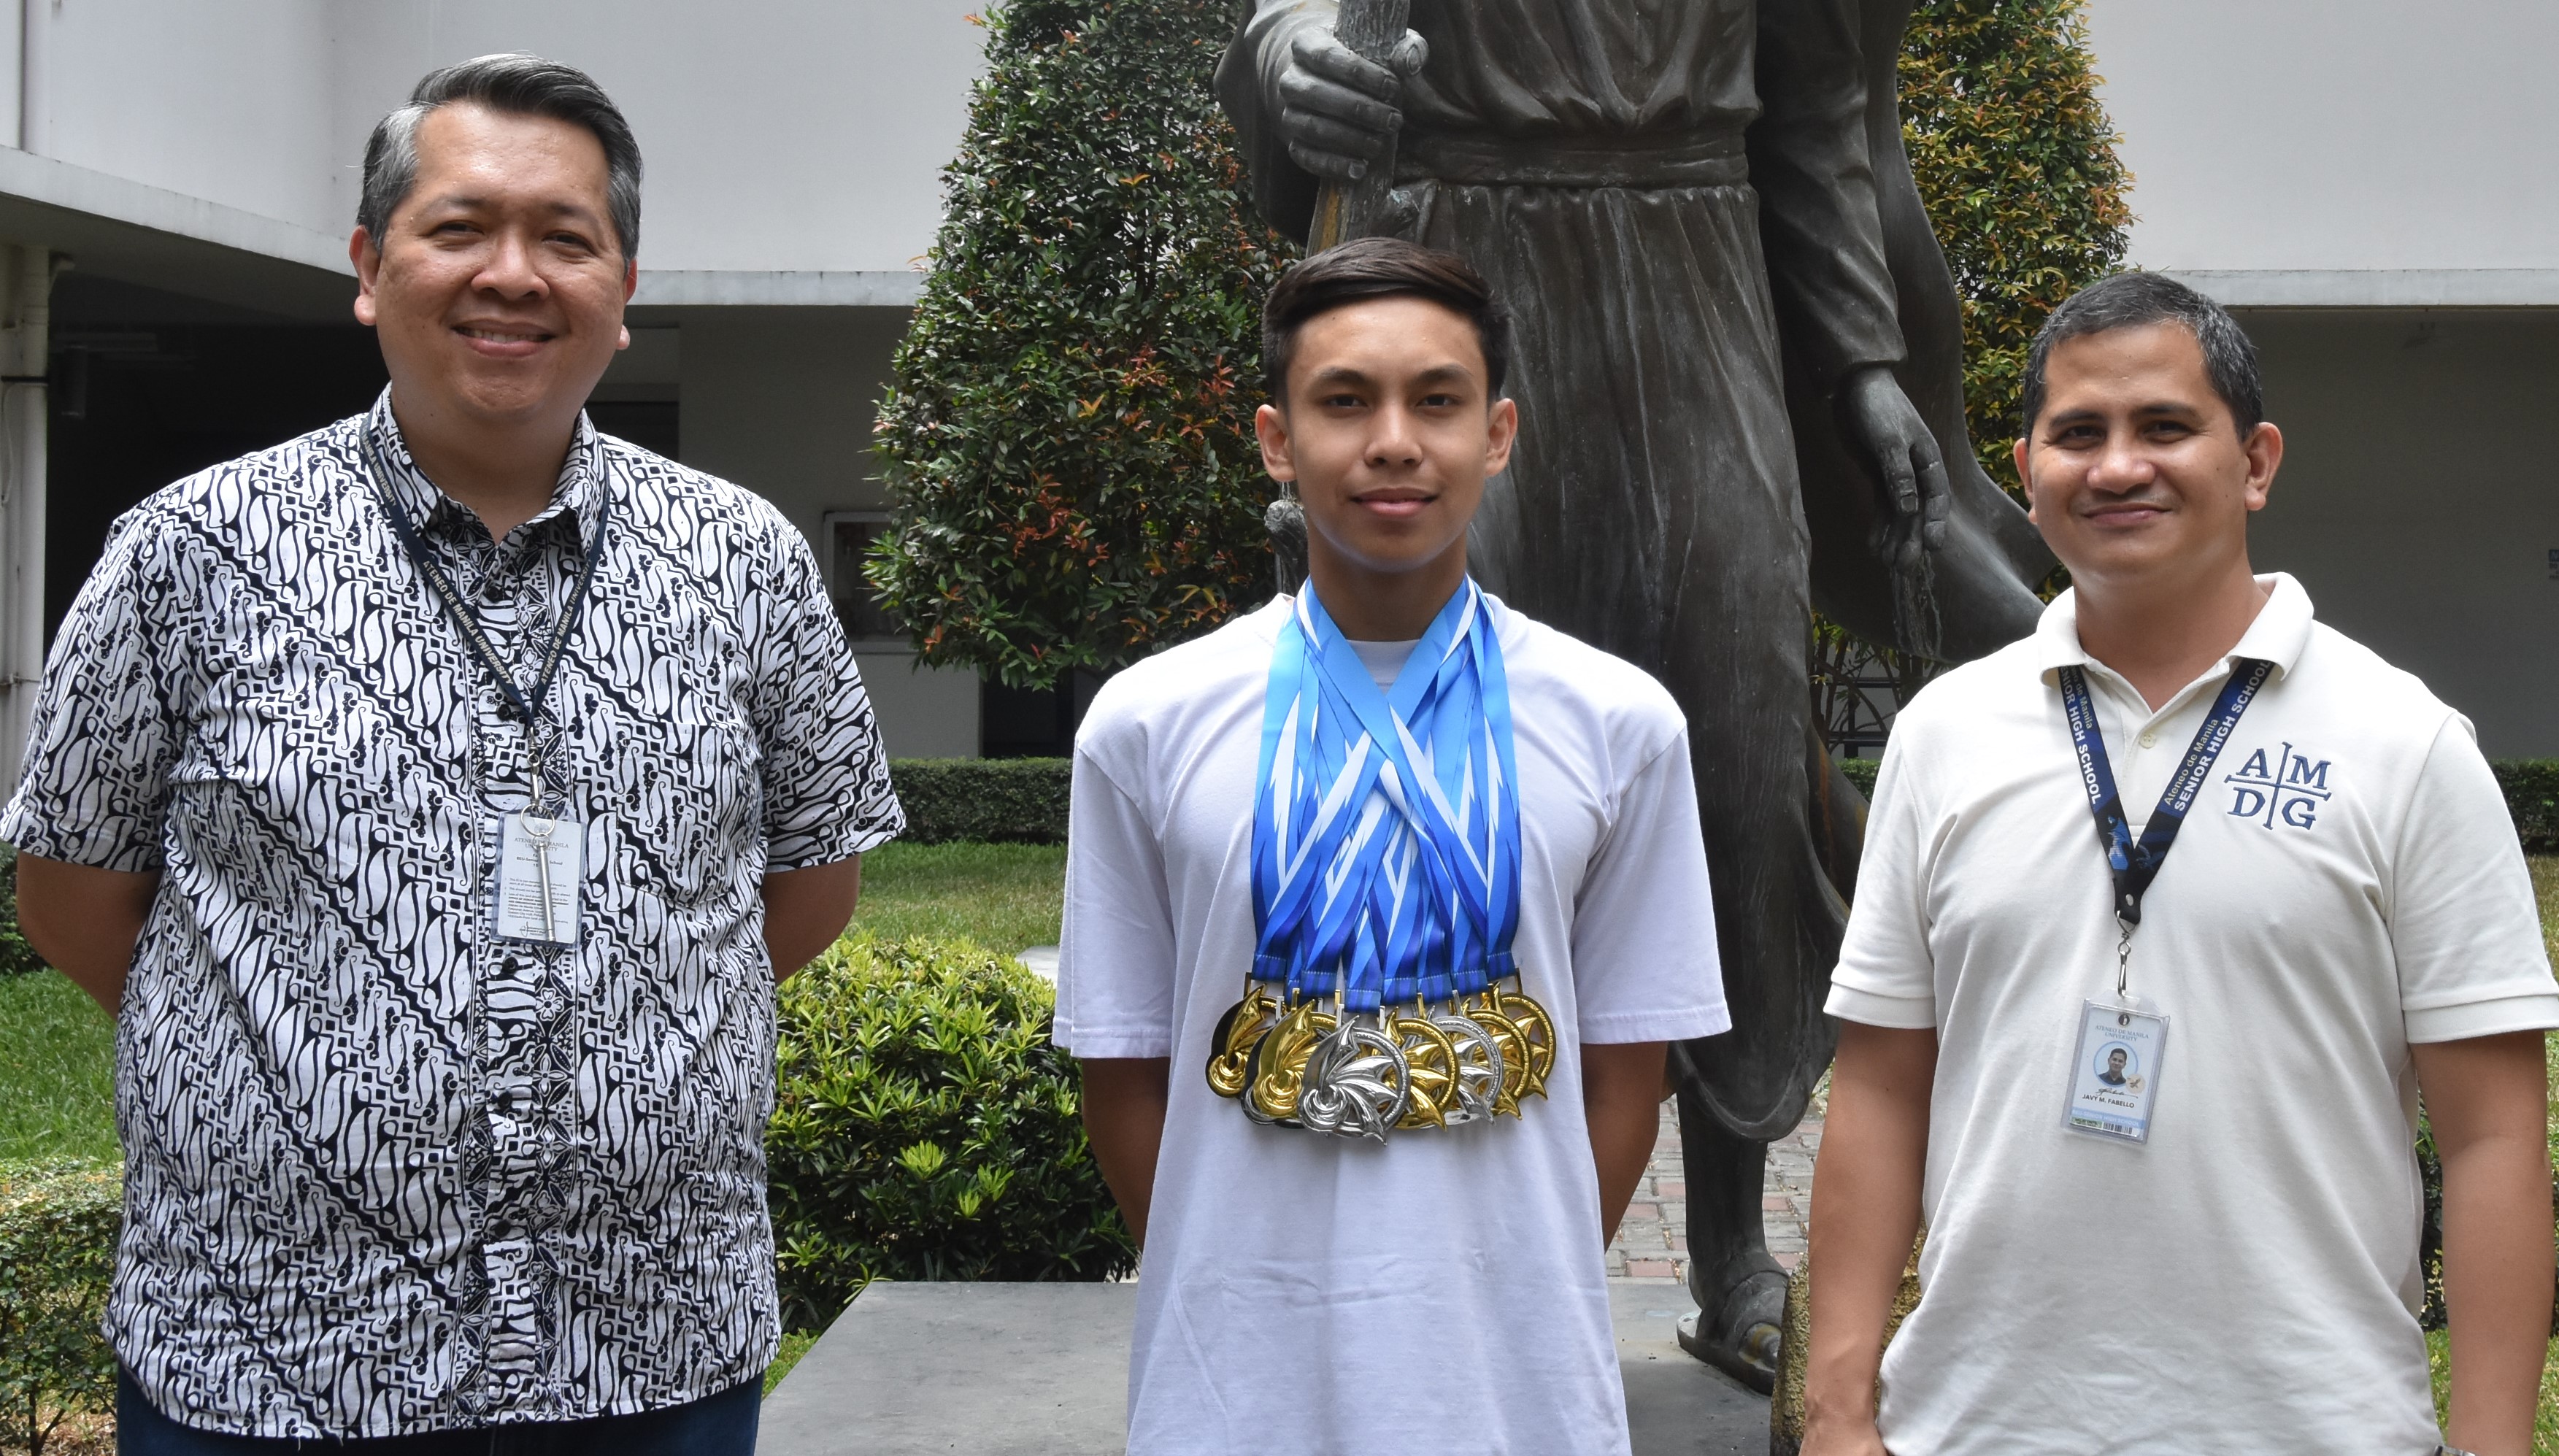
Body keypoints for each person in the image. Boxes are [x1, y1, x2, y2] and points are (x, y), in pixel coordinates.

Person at [6, 54, 902, 1452]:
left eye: (564, 237)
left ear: (624, 284)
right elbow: (71, 900)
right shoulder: (189, 553)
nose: (512, 274)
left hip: (647, 1339)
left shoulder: (747, 561)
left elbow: (807, 884)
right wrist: (309, 1064)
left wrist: (620, 1032)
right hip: (273, 1349)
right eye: (458, 228)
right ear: (371, 266)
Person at [1216, 0, 2058, 1383]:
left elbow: (1813, 116)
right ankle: (1427, 1232)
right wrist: (1292, 54)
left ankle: (1732, 1248)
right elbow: (1288, 22)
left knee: (1736, 736)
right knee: (1456, 759)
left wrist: (1858, 367)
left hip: (1698, 263)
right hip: (1455, 255)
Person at [1802, 271, 2558, 1455]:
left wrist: (2492, 1447)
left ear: (2253, 461)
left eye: (2163, 427)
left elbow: (2493, 1137)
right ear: (2029, 469)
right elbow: (1882, 1085)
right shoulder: (1941, 735)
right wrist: (1838, 1410)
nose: (2116, 467)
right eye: (2076, 434)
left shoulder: (2403, 743)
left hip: (2315, 1427)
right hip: (1978, 1422)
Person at [1055, 237, 1729, 1455]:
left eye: (1437, 401)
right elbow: (1123, 1062)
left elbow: (1630, 1064)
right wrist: (1226, 1262)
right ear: (1275, 439)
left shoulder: (1617, 720)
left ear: (1499, 433)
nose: (1394, 442)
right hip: (1234, 1388)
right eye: (1344, 401)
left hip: (1513, 1385)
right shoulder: (1148, 719)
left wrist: (1529, 1271)